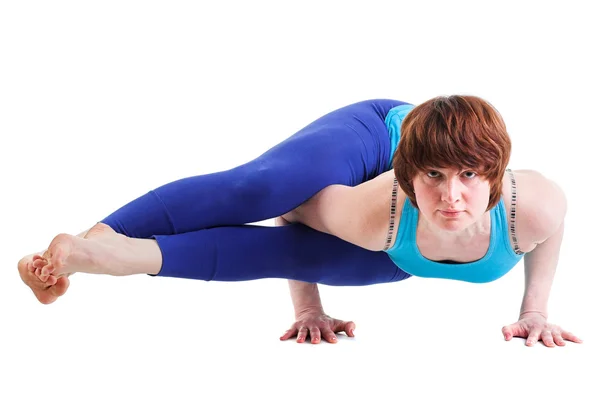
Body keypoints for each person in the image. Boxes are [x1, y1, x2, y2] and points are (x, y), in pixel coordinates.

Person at [18, 95, 582, 347]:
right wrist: (306, 307)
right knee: (266, 187)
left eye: (467, 177)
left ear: (495, 175)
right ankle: (104, 237)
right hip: (376, 135)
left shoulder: (531, 208)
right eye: (432, 177)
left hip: (395, 251)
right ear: (411, 182)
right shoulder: (376, 215)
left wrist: (535, 311)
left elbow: (550, 233)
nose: (451, 196)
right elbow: (290, 212)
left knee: (361, 273)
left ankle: (107, 260)